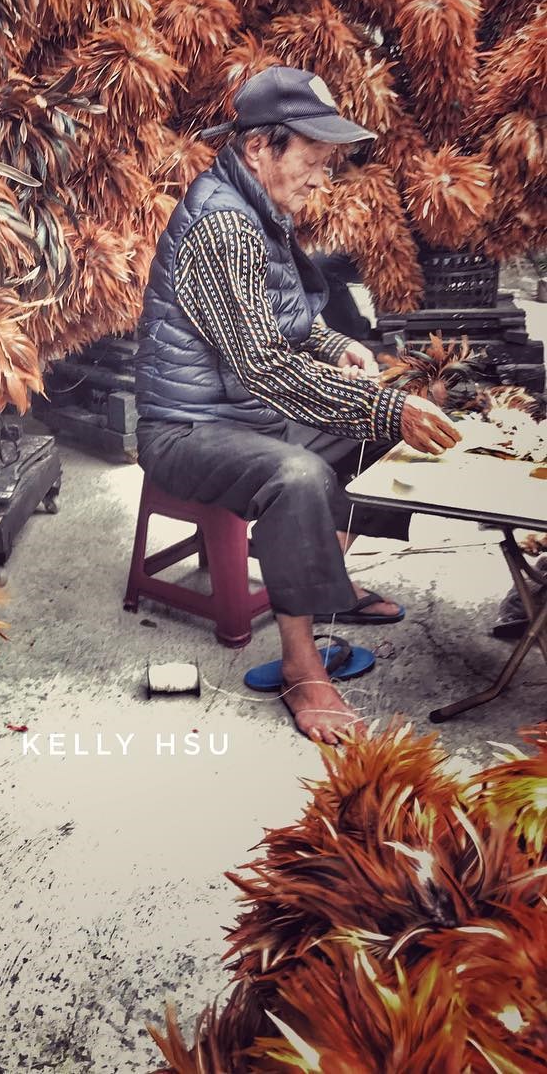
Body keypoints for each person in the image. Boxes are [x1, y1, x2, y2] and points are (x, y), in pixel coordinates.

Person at [135, 66, 461, 745]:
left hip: (244, 413)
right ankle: (300, 665)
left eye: (326, 164)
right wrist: (384, 407)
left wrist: (339, 345)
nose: (322, 179)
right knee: (300, 473)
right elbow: (262, 364)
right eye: (312, 160)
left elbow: (280, 321)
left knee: (381, 434)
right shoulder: (224, 224)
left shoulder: (258, 206)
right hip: (189, 428)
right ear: (260, 147)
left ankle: (326, 579)